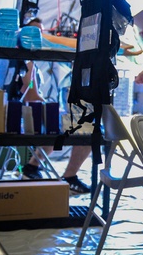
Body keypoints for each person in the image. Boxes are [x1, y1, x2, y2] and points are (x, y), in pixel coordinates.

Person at [18, 16, 93, 195]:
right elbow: (30, 95)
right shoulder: (26, 61)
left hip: (26, 114)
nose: (40, 35)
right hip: (24, 117)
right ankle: (69, 177)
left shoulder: (28, 58)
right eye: (35, 31)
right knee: (88, 130)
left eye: (41, 31)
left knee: (64, 120)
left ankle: (31, 167)